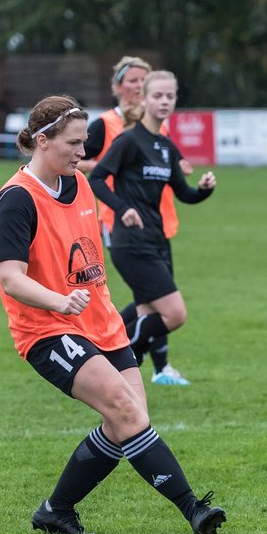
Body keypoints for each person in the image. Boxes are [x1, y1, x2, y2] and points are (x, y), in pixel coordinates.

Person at [0, 95, 226, 534]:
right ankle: (193, 508)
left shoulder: (78, 182)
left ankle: (55, 510)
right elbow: (10, 279)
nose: (84, 152)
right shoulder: (16, 199)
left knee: (128, 419)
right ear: (42, 140)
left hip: (101, 323)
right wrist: (60, 303)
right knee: (123, 410)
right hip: (47, 328)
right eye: (75, 143)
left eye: (85, 143)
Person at [88, 70, 216, 388]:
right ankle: (119, 358)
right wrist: (123, 208)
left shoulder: (165, 147)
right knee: (175, 314)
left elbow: (183, 193)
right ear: (143, 98)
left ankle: (108, 360)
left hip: (157, 240)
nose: (164, 101)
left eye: (169, 96)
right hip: (130, 242)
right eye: (157, 95)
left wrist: (203, 189)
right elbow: (96, 179)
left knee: (146, 311)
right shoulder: (129, 140)